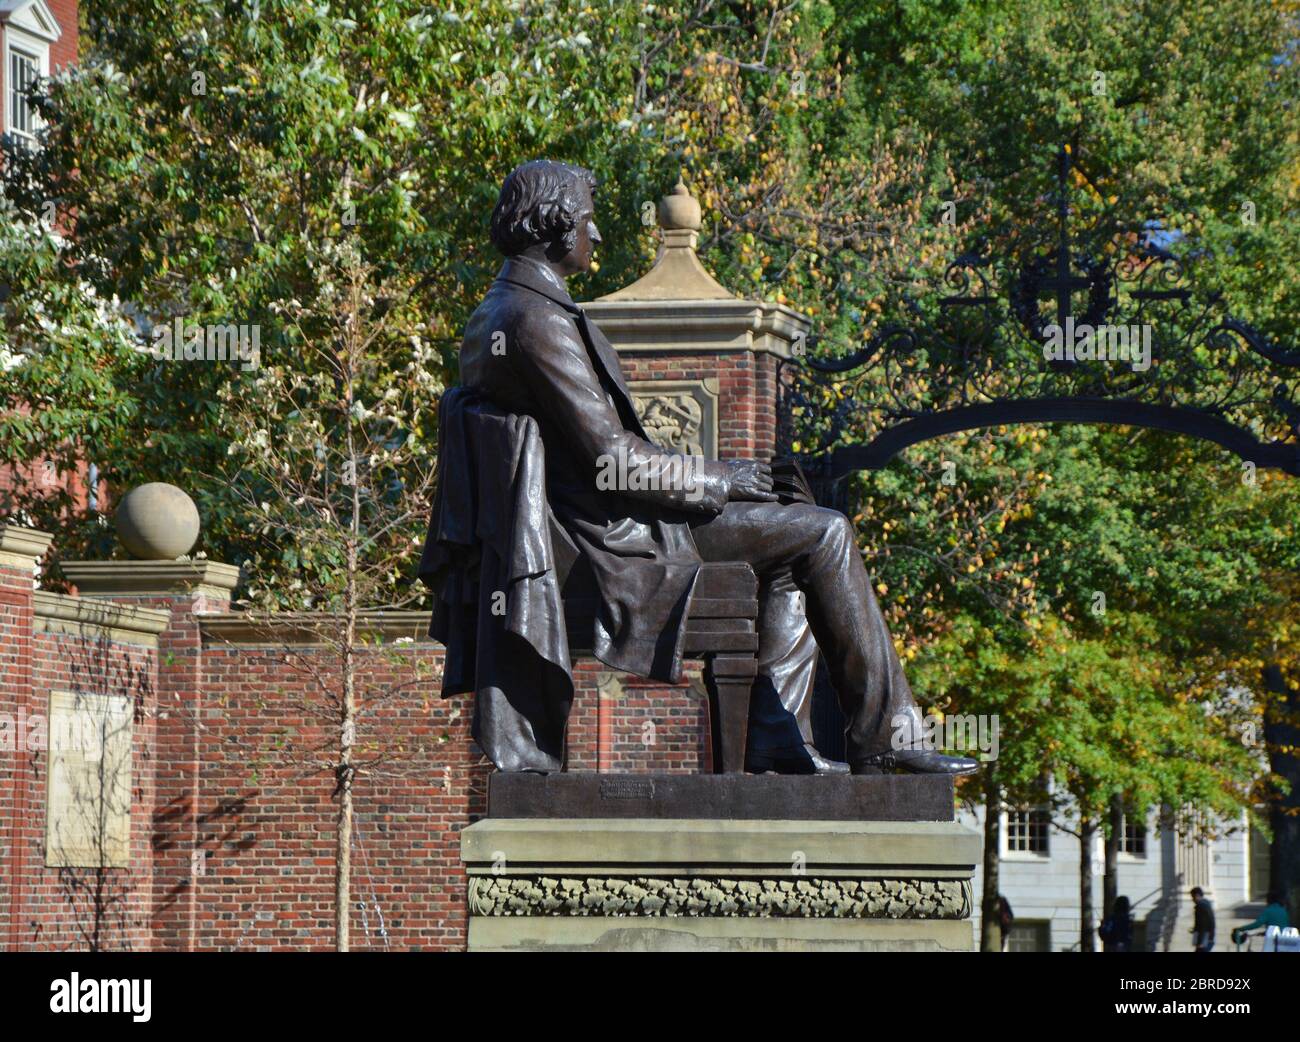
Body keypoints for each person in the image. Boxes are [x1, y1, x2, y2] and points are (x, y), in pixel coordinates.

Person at [435, 158, 981, 776]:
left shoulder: (507, 310)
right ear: (557, 224)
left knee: (793, 525)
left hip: (596, 521)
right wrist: (726, 478)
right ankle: (887, 740)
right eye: (588, 220)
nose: (598, 236)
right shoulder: (532, 320)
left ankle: (777, 739)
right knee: (824, 531)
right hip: (607, 540)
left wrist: (731, 481)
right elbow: (615, 459)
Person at [1190, 887, 1215, 952]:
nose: (1192, 899)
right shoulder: (1206, 904)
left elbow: (1203, 925)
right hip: (1208, 938)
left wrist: (1200, 942)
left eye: (1193, 897)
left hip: (1204, 939)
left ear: (1197, 896)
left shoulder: (1200, 907)